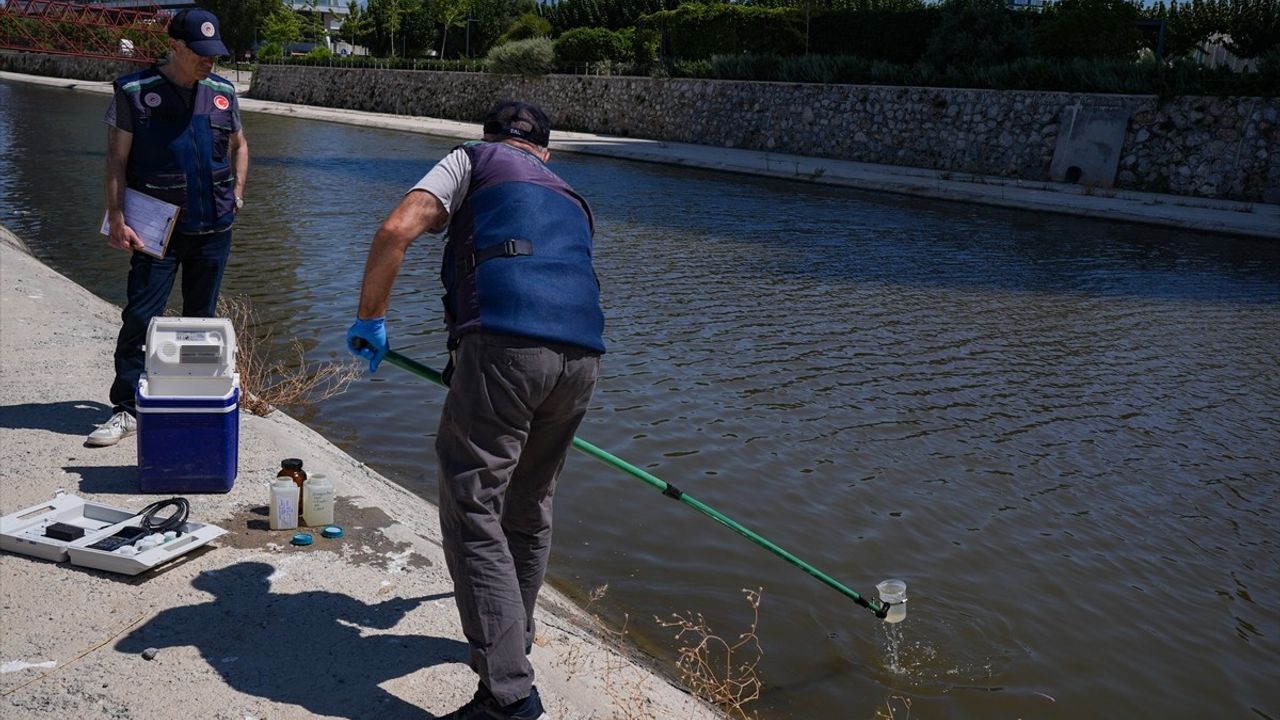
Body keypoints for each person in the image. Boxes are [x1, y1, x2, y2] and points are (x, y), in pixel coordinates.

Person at [346, 100, 604, 720]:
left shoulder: (471, 159)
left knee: (471, 505)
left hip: (504, 345)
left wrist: (372, 318)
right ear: (545, 151)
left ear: (490, 137)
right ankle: (514, 636)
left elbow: (396, 229)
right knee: (529, 503)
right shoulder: (570, 195)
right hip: (584, 359)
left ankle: (508, 695)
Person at [88, 8, 249, 446]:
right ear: (174, 46)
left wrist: (236, 193)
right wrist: (117, 218)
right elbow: (116, 160)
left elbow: (239, 145)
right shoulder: (134, 92)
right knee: (141, 315)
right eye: (200, 53)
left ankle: (189, 401)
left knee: (202, 321)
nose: (208, 61)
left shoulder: (221, 91)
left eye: (214, 53)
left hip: (215, 227)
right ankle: (127, 407)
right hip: (156, 229)